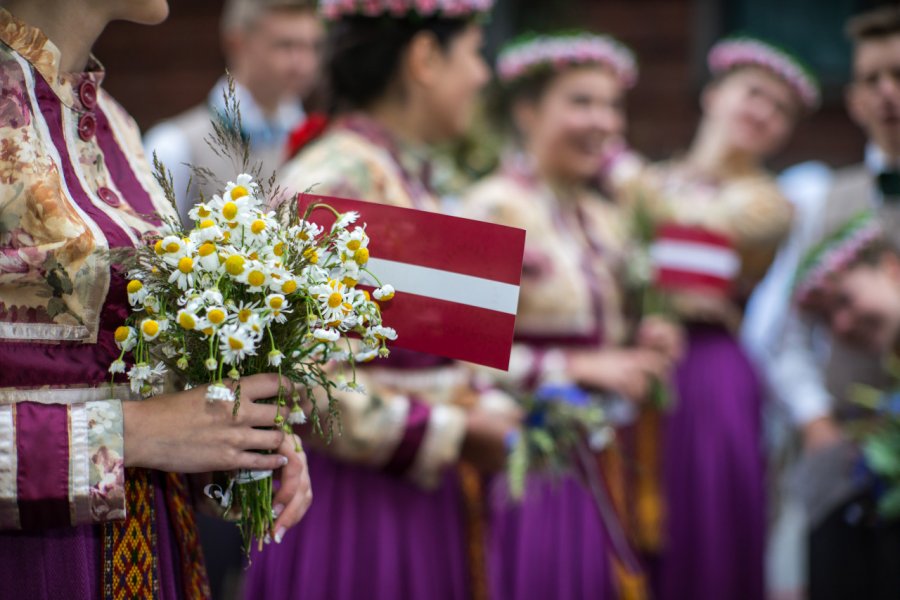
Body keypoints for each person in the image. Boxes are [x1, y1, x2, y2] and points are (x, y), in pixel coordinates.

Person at [0, 1, 312, 598]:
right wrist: (129, 436)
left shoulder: (113, 120)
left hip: (151, 545)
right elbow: (136, 426)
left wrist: (231, 443)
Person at [242, 1, 520, 599]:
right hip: (357, 514)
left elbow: (439, 349)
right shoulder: (333, 181)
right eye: (474, 53)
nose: (483, 75)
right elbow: (304, 377)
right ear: (424, 58)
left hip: (420, 490)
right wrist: (457, 431)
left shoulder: (406, 174)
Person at [462, 32, 680, 599]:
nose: (603, 121)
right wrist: (583, 367)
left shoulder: (607, 217)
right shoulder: (492, 208)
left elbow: (614, 335)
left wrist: (645, 341)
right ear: (528, 110)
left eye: (612, 105)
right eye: (581, 102)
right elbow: (463, 355)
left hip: (599, 457)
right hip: (522, 464)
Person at [603, 35, 818, 600]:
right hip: (626, 363)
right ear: (713, 95)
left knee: (703, 525)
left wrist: (620, 176)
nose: (764, 113)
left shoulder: (769, 203)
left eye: (781, 111)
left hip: (707, 372)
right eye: (754, 93)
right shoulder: (641, 179)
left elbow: (685, 222)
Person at [742, 8, 900, 599]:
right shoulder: (820, 199)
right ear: (854, 100)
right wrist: (814, 419)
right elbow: (778, 335)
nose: (888, 93)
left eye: (899, 75)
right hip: (845, 464)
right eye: (871, 80)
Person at [144, 0, 323, 226]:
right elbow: (150, 249)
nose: (305, 64)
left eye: (313, 47)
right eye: (285, 46)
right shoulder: (173, 145)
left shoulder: (318, 141)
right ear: (237, 43)